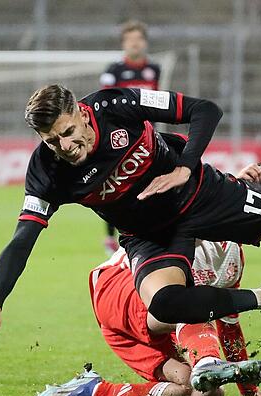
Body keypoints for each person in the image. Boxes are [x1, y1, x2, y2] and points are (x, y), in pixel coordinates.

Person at [0, 84, 261, 343]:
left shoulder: (117, 104)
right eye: (51, 140)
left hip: (201, 193)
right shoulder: (46, 171)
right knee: (164, 305)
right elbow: (23, 238)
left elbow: (205, 109)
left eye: (66, 132)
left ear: (80, 112)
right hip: (149, 235)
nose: (64, 145)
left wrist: (184, 167)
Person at [33, 237, 261, 396]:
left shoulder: (232, 259)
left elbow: (228, 323)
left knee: (207, 393)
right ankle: (208, 362)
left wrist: (250, 390)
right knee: (194, 309)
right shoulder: (192, 226)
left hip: (148, 322)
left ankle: (92, 390)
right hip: (119, 289)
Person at [98, 20, 161, 255]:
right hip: (121, 137)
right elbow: (103, 101)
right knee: (116, 185)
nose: (135, 44)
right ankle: (110, 237)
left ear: (144, 43)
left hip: (147, 137)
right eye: (130, 40)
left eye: (138, 39)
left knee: (148, 182)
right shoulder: (113, 71)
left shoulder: (153, 70)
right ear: (124, 43)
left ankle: (145, 231)